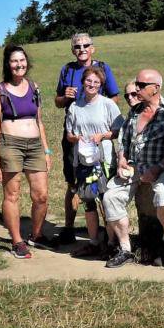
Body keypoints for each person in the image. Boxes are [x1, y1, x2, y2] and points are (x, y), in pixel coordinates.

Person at [103, 69, 164, 268]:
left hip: (162, 165)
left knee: (162, 193)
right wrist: (122, 158)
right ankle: (125, 249)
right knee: (110, 197)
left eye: (141, 85)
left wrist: (158, 168)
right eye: (136, 84)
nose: (136, 89)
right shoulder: (135, 111)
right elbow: (124, 139)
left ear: (156, 88)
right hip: (134, 166)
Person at [0, 44, 52, 259]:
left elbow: (39, 121)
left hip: (35, 146)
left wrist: (47, 151)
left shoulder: (34, 87)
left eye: (22, 60)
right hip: (10, 145)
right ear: (8, 64)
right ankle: (17, 241)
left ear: (27, 62)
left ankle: (36, 235)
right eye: (14, 61)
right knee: (12, 195)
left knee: (41, 195)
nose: (19, 64)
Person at [54, 33, 120, 245]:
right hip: (74, 134)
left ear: (93, 48)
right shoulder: (67, 70)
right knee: (73, 182)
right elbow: (57, 101)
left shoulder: (103, 67)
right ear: (72, 50)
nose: (81, 49)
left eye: (85, 45)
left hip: (99, 137)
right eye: (77, 46)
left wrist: (99, 109)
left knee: (104, 186)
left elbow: (114, 96)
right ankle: (69, 228)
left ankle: (109, 235)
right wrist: (65, 97)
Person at [64, 65, 123, 258]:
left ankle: (112, 243)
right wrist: (76, 138)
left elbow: (119, 131)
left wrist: (102, 135)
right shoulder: (74, 106)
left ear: (101, 85)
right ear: (83, 82)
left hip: (104, 160)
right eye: (88, 80)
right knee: (88, 201)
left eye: (96, 82)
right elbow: (69, 134)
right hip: (83, 160)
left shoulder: (108, 104)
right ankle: (93, 242)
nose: (92, 84)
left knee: (106, 200)